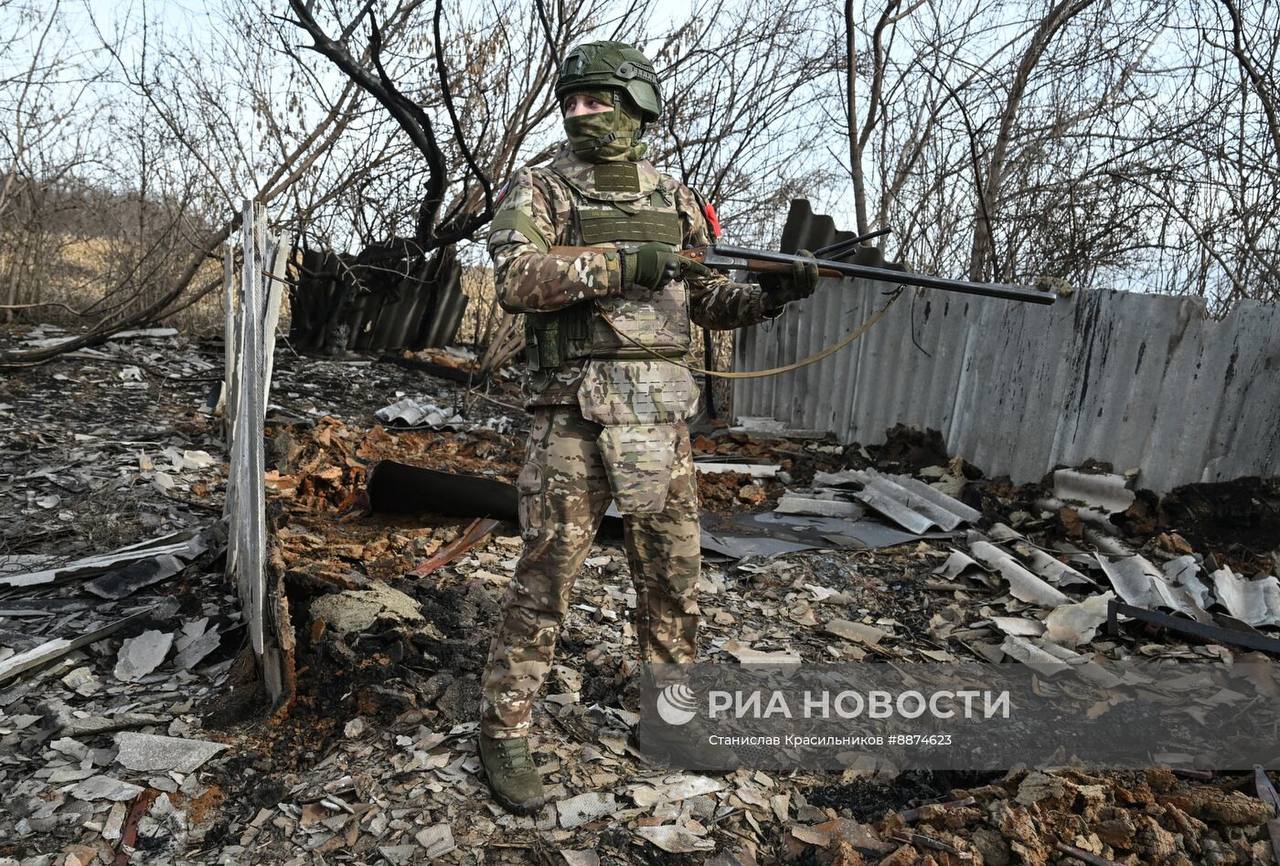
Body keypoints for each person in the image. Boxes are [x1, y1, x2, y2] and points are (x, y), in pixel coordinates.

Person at [477, 40, 819, 814]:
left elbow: (706, 301)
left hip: (660, 420)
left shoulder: (676, 197)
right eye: (572, 101)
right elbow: (515, 281)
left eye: (597, 99)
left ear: (639, 104)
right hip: (573, 417)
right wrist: (621, 264)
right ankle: (504, 730)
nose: (580, 113)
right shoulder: (541, 187)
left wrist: (773, 295)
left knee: (672, 580)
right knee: (546, 582)